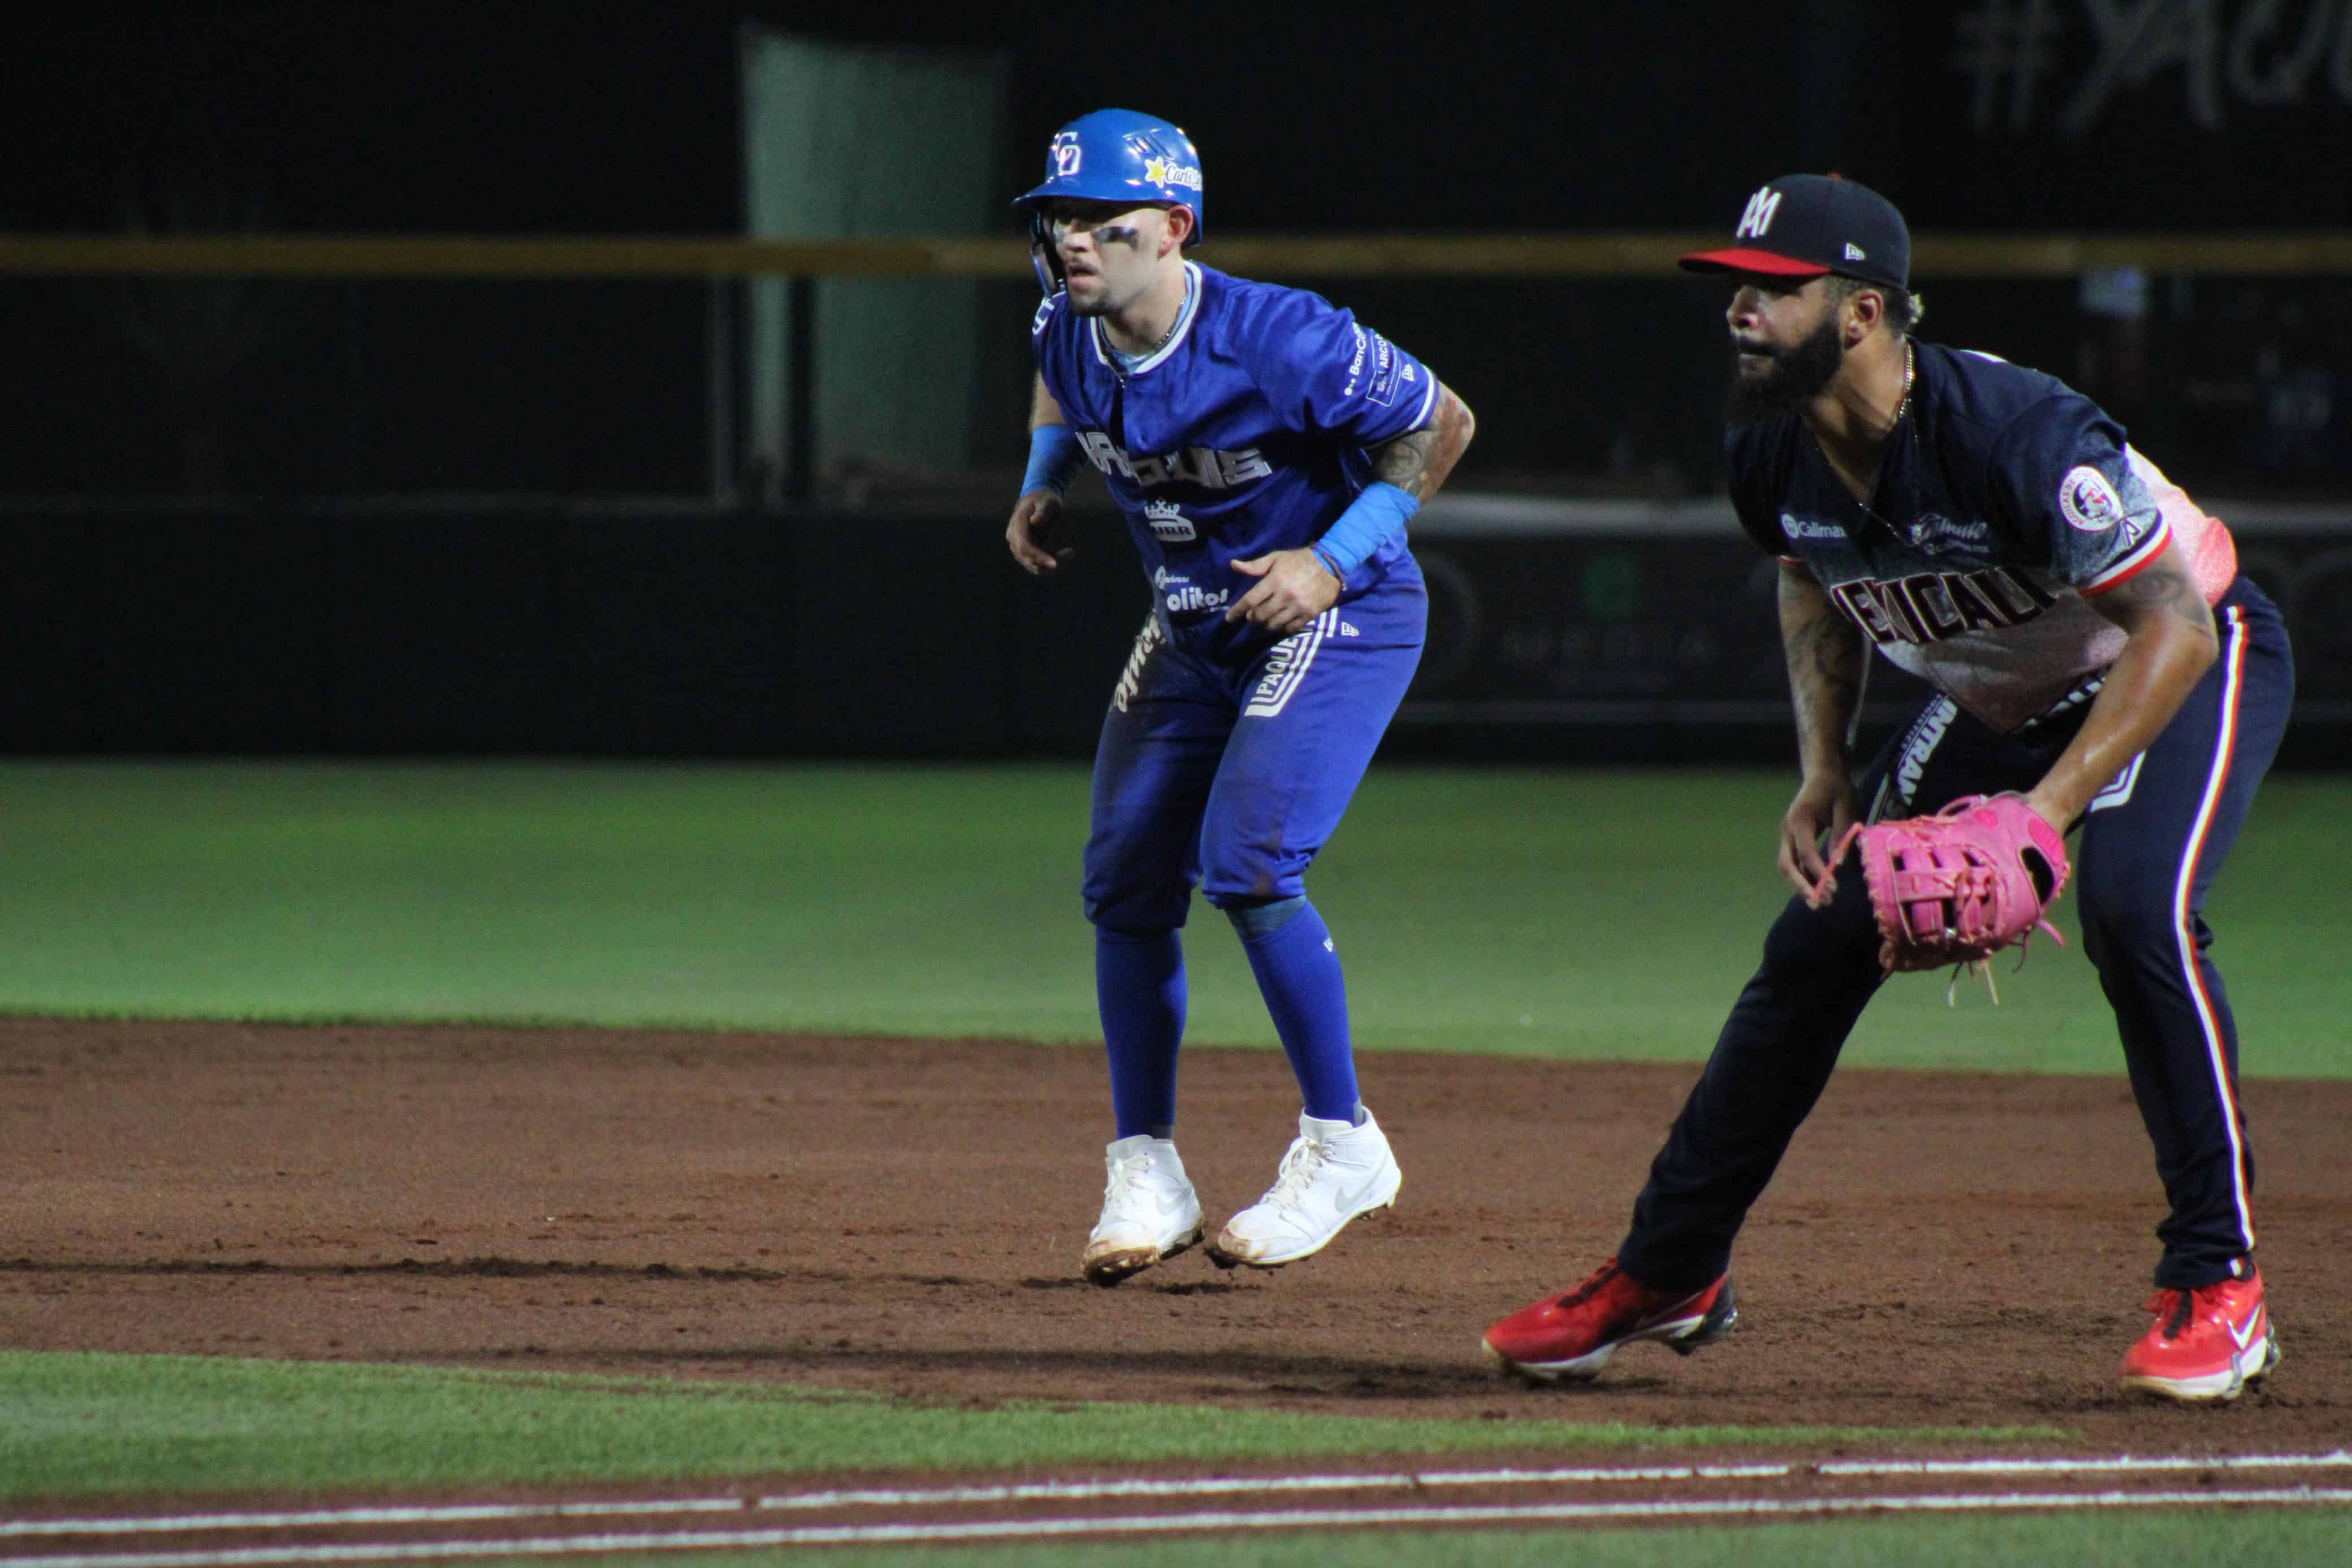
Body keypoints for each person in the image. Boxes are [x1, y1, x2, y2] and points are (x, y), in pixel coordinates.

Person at [1481, 174, 2294, 1403]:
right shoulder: (1770, 441)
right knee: (1812, 945)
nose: (1738, 312)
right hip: (1994, 700)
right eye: (1732, 289)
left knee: (2136, 911)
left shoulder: (2010, 432)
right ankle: (1671, 1270)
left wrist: (2044, 813)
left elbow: (2169, 626)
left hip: (2176, 658)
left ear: (1862, 312)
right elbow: (1811, 578)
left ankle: (2218, 1287)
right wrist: (1823, 766)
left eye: (1771, 290)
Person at [1005, 109, 1476, 1287]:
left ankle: (1343, 1143)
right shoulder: (1067, 323)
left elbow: (1441, 421)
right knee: (1121, 879)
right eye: (1059, 219)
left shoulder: (1276, 335)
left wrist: (1331, 556)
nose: (1073, 244)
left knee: (1252, 860)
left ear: (1173, 229)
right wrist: (1041, 484)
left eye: (1103, 225)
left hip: (1336, 610)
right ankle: (1147, 1169)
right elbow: (1057, 388)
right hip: (1193, 621)